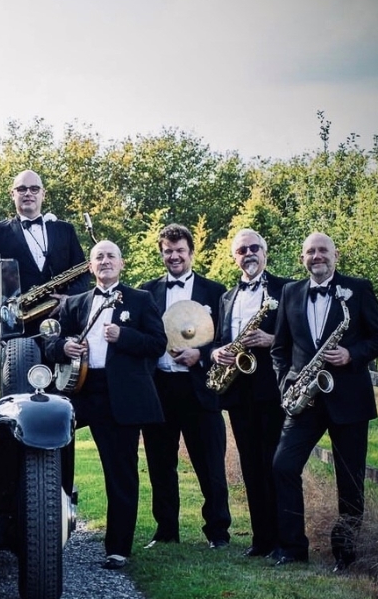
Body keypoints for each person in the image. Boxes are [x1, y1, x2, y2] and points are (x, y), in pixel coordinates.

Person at [270, 232, 378, 572]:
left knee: (349, 480)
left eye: (323, 250)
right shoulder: (290, 292)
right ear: (302, 258)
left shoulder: (358, 288)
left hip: (349, 398)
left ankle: (346, 554)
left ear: (335, 255)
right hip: (304, 399)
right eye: (310, 251)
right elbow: (280, 349)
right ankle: (293, 548)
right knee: (283, 466)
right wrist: (285, 385)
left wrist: (352, 353)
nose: (317, 256)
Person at [44, 240, 166, 570]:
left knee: (120, 473)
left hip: (120, 396)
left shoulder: (141, 300)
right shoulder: (76, 303)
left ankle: (118, 548)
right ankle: (50, 534)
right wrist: (64, 347)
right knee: (52, 460)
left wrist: (123, 336)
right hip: (80, 392)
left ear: (122, 263)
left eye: (111, 256)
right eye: (99, 257)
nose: (105, 261)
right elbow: (52, 343)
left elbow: (158, 344)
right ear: (90, 265)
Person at [139, 223, 231, 549]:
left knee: (210, 464)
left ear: (191, 253)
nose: (174, 256)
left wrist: (201, 354)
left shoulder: (216, 291)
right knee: (161, 465)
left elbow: (225, 339)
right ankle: (166, 532)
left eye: (180, 251)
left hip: (200, 388)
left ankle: (218, 532)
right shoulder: (147, 292)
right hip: (159, 389)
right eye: (168, 251)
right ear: (162, 254)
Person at [208, 228, 289, 558]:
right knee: (251, 466)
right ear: (234, 257)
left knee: (276, 465)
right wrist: (217, 353)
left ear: (265, 252)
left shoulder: (286, 289)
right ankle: (262, 539)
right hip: (239, 392)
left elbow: (301, 334)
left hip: (272, 389)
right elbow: (217, 340)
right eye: (242, 250)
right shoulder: (226, 297)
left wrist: (272, 340)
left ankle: (285, 540)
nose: (249, 254)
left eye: (254, 248)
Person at [0, 170, 90, 334]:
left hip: (62, 321)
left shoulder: (65, 230)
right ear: (12, 194)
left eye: (34, 189)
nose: (28, 193)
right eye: (22, 189)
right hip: (17, 324)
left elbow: (83, 272)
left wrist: (70, 299)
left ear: (43, 194)